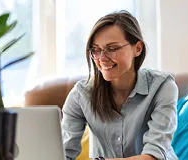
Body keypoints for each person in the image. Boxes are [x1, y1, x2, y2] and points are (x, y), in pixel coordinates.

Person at [61, 10, 178, 160]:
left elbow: (153, 156)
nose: (102, 59)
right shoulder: (81, 95)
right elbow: (63, 152)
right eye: (95, 50)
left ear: (138, 48)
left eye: (112, 49)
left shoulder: (163, 87)